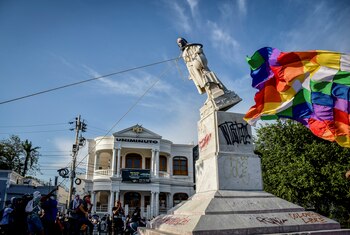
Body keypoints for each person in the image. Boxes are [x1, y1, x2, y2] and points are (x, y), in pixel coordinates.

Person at [177, 37, 241, 111]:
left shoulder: (192, 46)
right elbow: (187, 63)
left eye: (181, 41)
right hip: (193, 70)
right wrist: (191, 74)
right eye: (178, 43)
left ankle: (219, 91)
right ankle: (209, 95)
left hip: (199, 64)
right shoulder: (183, 53)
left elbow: (199, 50)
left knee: (207, 77)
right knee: (202, 82)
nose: (180, 43)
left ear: (184, 41)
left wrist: (196, 53)